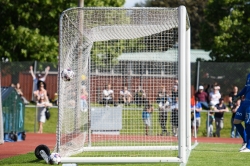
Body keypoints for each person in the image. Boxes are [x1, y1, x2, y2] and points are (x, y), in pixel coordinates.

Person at [234, 73, 250, 152]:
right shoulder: (248, 75)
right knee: (236, 121)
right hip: (244, 103)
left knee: (248, 124)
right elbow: (246, 87)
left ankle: (249, 147)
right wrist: (238, 95)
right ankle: (245, 141)